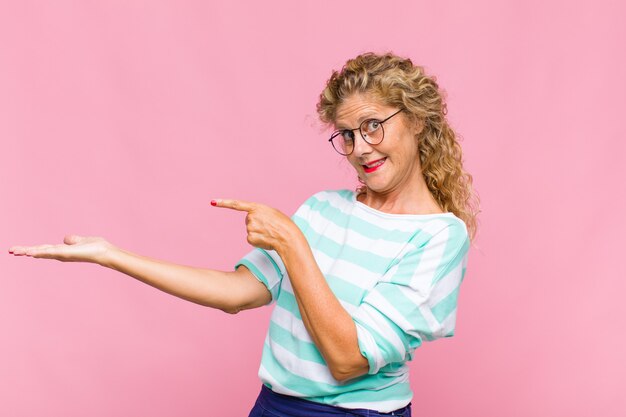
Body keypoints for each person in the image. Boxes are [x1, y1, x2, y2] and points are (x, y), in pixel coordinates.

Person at [8, 52, 479, 416]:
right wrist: (112, 255)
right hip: (274, 403)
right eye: (348, 135)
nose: (360, 148)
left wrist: (292, 244)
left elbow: (347, 359)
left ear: (416, 119)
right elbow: (238, 293)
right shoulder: (323, 208)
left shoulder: (438, 236)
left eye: (374, 126)